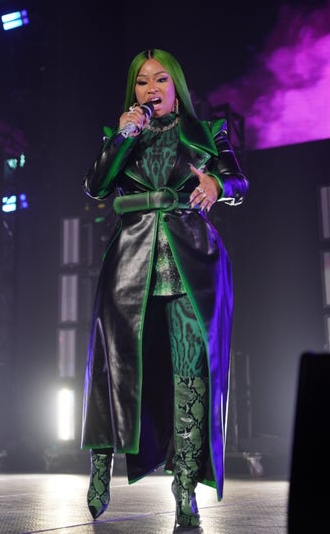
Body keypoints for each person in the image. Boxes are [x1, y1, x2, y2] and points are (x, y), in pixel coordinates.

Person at [81, 48, 249, 529]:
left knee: (191, 376)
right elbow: (96, 186)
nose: (150, 89)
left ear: (176, 87)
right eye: (141, 82)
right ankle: (100, 466)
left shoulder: (207, 132)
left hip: (192, 266)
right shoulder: (121, 135)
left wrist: (217, 184)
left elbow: (239, 182)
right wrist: (123, 136)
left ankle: (186, 493)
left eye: (159, 80)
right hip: (130, 266)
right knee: (113, 371)